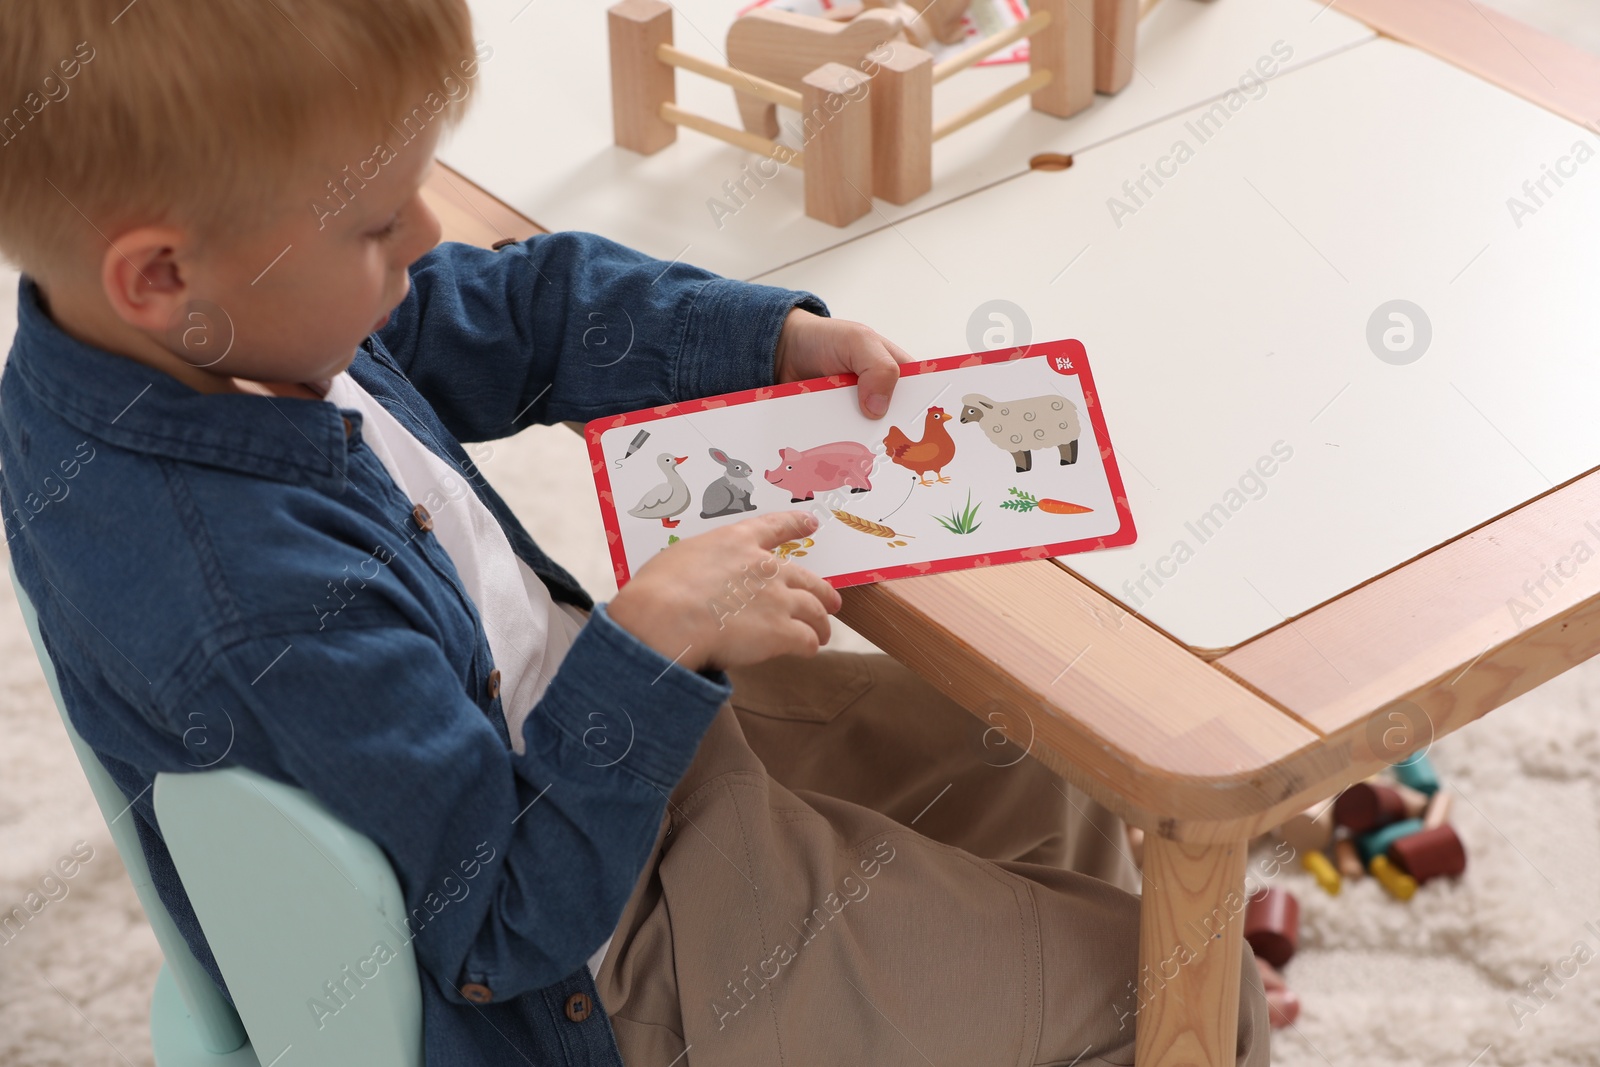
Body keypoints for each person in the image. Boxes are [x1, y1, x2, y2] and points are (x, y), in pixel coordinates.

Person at [0, 2, 1268, 1064]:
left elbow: (516, 312)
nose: (428, 238)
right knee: (1189, 992)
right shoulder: (257, 602)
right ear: (160, 274)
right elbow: (500, 924)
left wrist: (752, 341)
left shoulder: (198, 332)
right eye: (377, 225)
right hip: (605, 944)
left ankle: (1005, 967)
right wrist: (650, 641)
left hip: (593, 753)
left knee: (1042, 759)